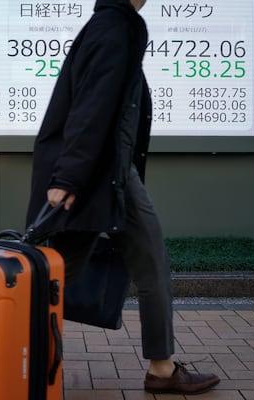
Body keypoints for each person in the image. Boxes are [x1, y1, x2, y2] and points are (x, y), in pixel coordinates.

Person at [26, 0, 220, 395]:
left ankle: (17, 349)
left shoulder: (111, 24)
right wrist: (68, 176)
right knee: (148, 263)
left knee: (63, 272)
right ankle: (162, 370)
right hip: (104, 174)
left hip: (99, 173)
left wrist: (72, 174)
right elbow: (91, 105)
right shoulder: (115, 26)